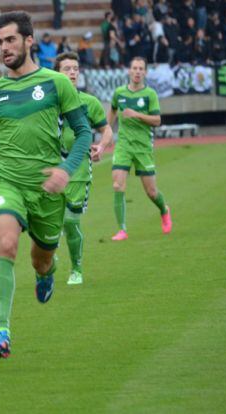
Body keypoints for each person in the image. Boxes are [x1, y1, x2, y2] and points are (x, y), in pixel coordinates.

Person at [0, 12, 92, 359]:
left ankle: (47, 273)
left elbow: (83, 132)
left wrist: (67, 170)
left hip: (47, 188)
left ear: (29, 40)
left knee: (41, 260)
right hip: (6, 178)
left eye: (10, 40)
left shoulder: (57, 83)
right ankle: (1, 331)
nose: (4, 48)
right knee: (7, 244)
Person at [54, 52, 114, 285]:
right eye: (67, 68)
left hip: (78, 171)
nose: (72, 72)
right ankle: (48, 257)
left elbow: (106, 129)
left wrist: (101, 146)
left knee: (70, 222)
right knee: (46, 222)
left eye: (75, 68)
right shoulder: (47, 103)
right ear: (56, 73)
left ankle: (76, 268)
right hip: (49, 171)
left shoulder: (89, 102)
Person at [108, 56, 172, 241]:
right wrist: (107, 130)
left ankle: (164, 209)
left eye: (140, 69)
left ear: (145, 72)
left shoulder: (150, 94)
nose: (137, 71)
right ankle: (122, 230)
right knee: (117, 184)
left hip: (143, 147)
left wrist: (135, 114)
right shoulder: (119, 92)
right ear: (129, 71)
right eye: (134, 68)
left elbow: (157, 120)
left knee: (151, 192)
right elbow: (112, 109)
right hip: (124, 146)